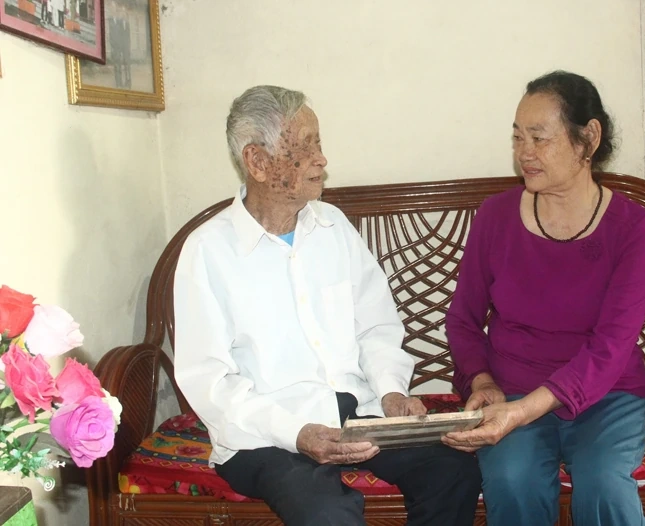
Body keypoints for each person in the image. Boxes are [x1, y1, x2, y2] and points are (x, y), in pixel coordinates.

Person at [173, 85, 481, 526]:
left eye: (319, 143)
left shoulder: (332, 226)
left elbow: (375, 326)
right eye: (307, 146)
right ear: (257, 161)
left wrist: (391, 392)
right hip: (264, 436)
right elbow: (209, 380)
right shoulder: (208, 251)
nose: (322, 159)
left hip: (357, 414)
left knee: (451, 470)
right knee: (326, 513)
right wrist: (296, 432)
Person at [443, 71, 645, 526]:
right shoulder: (496, 217)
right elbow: (463, 319)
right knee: (512, 480)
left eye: (539, 138)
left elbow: (611, 347)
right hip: (512, 386)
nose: (525, 152)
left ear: (589, 138)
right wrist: (481, 381)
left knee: (604, 486)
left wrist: (523, 412)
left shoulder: (633, 228)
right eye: (518, 137)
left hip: (607, 394)